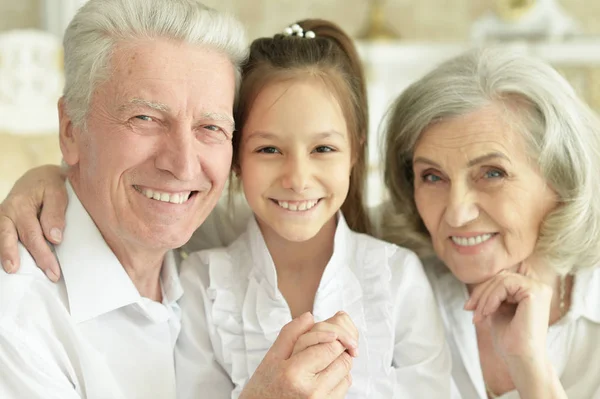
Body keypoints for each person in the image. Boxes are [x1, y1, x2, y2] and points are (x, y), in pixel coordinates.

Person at [0, 1, 355, 398]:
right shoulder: (17, 320)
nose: (184, 165)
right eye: (146, 119)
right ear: (70, 130)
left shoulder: (220, 238)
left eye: (211, 126)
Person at [175, 19, 450, 398]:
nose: (298, 179)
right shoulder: (202, 285)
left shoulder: (397, 279)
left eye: (323, 149)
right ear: (235, 156)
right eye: (269, 150)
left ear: (355, 150)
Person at [379, 48, 600, 398]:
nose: (456, 214)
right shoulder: (387, 287)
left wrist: (529, 365)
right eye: (433, 176)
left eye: (492, 173)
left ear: (563, 179)